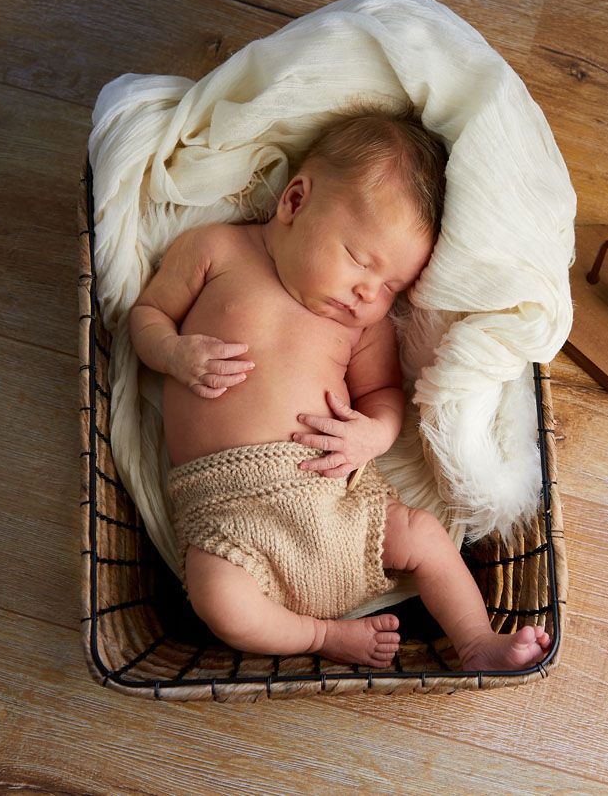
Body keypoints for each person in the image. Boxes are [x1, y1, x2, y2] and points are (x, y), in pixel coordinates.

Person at [129, 102, 550, 670]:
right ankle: (319, 636)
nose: (367, 294)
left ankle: (475, 639)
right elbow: (148, 314)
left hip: (336, 499)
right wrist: (175, 352)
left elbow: (384, 397)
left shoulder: (362, 326)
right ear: (295, 201)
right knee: (218, 601)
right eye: (358, 260)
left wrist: (371, 438)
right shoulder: (214, 249)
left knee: (424, 537)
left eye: (390, 286)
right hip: (229, 519)